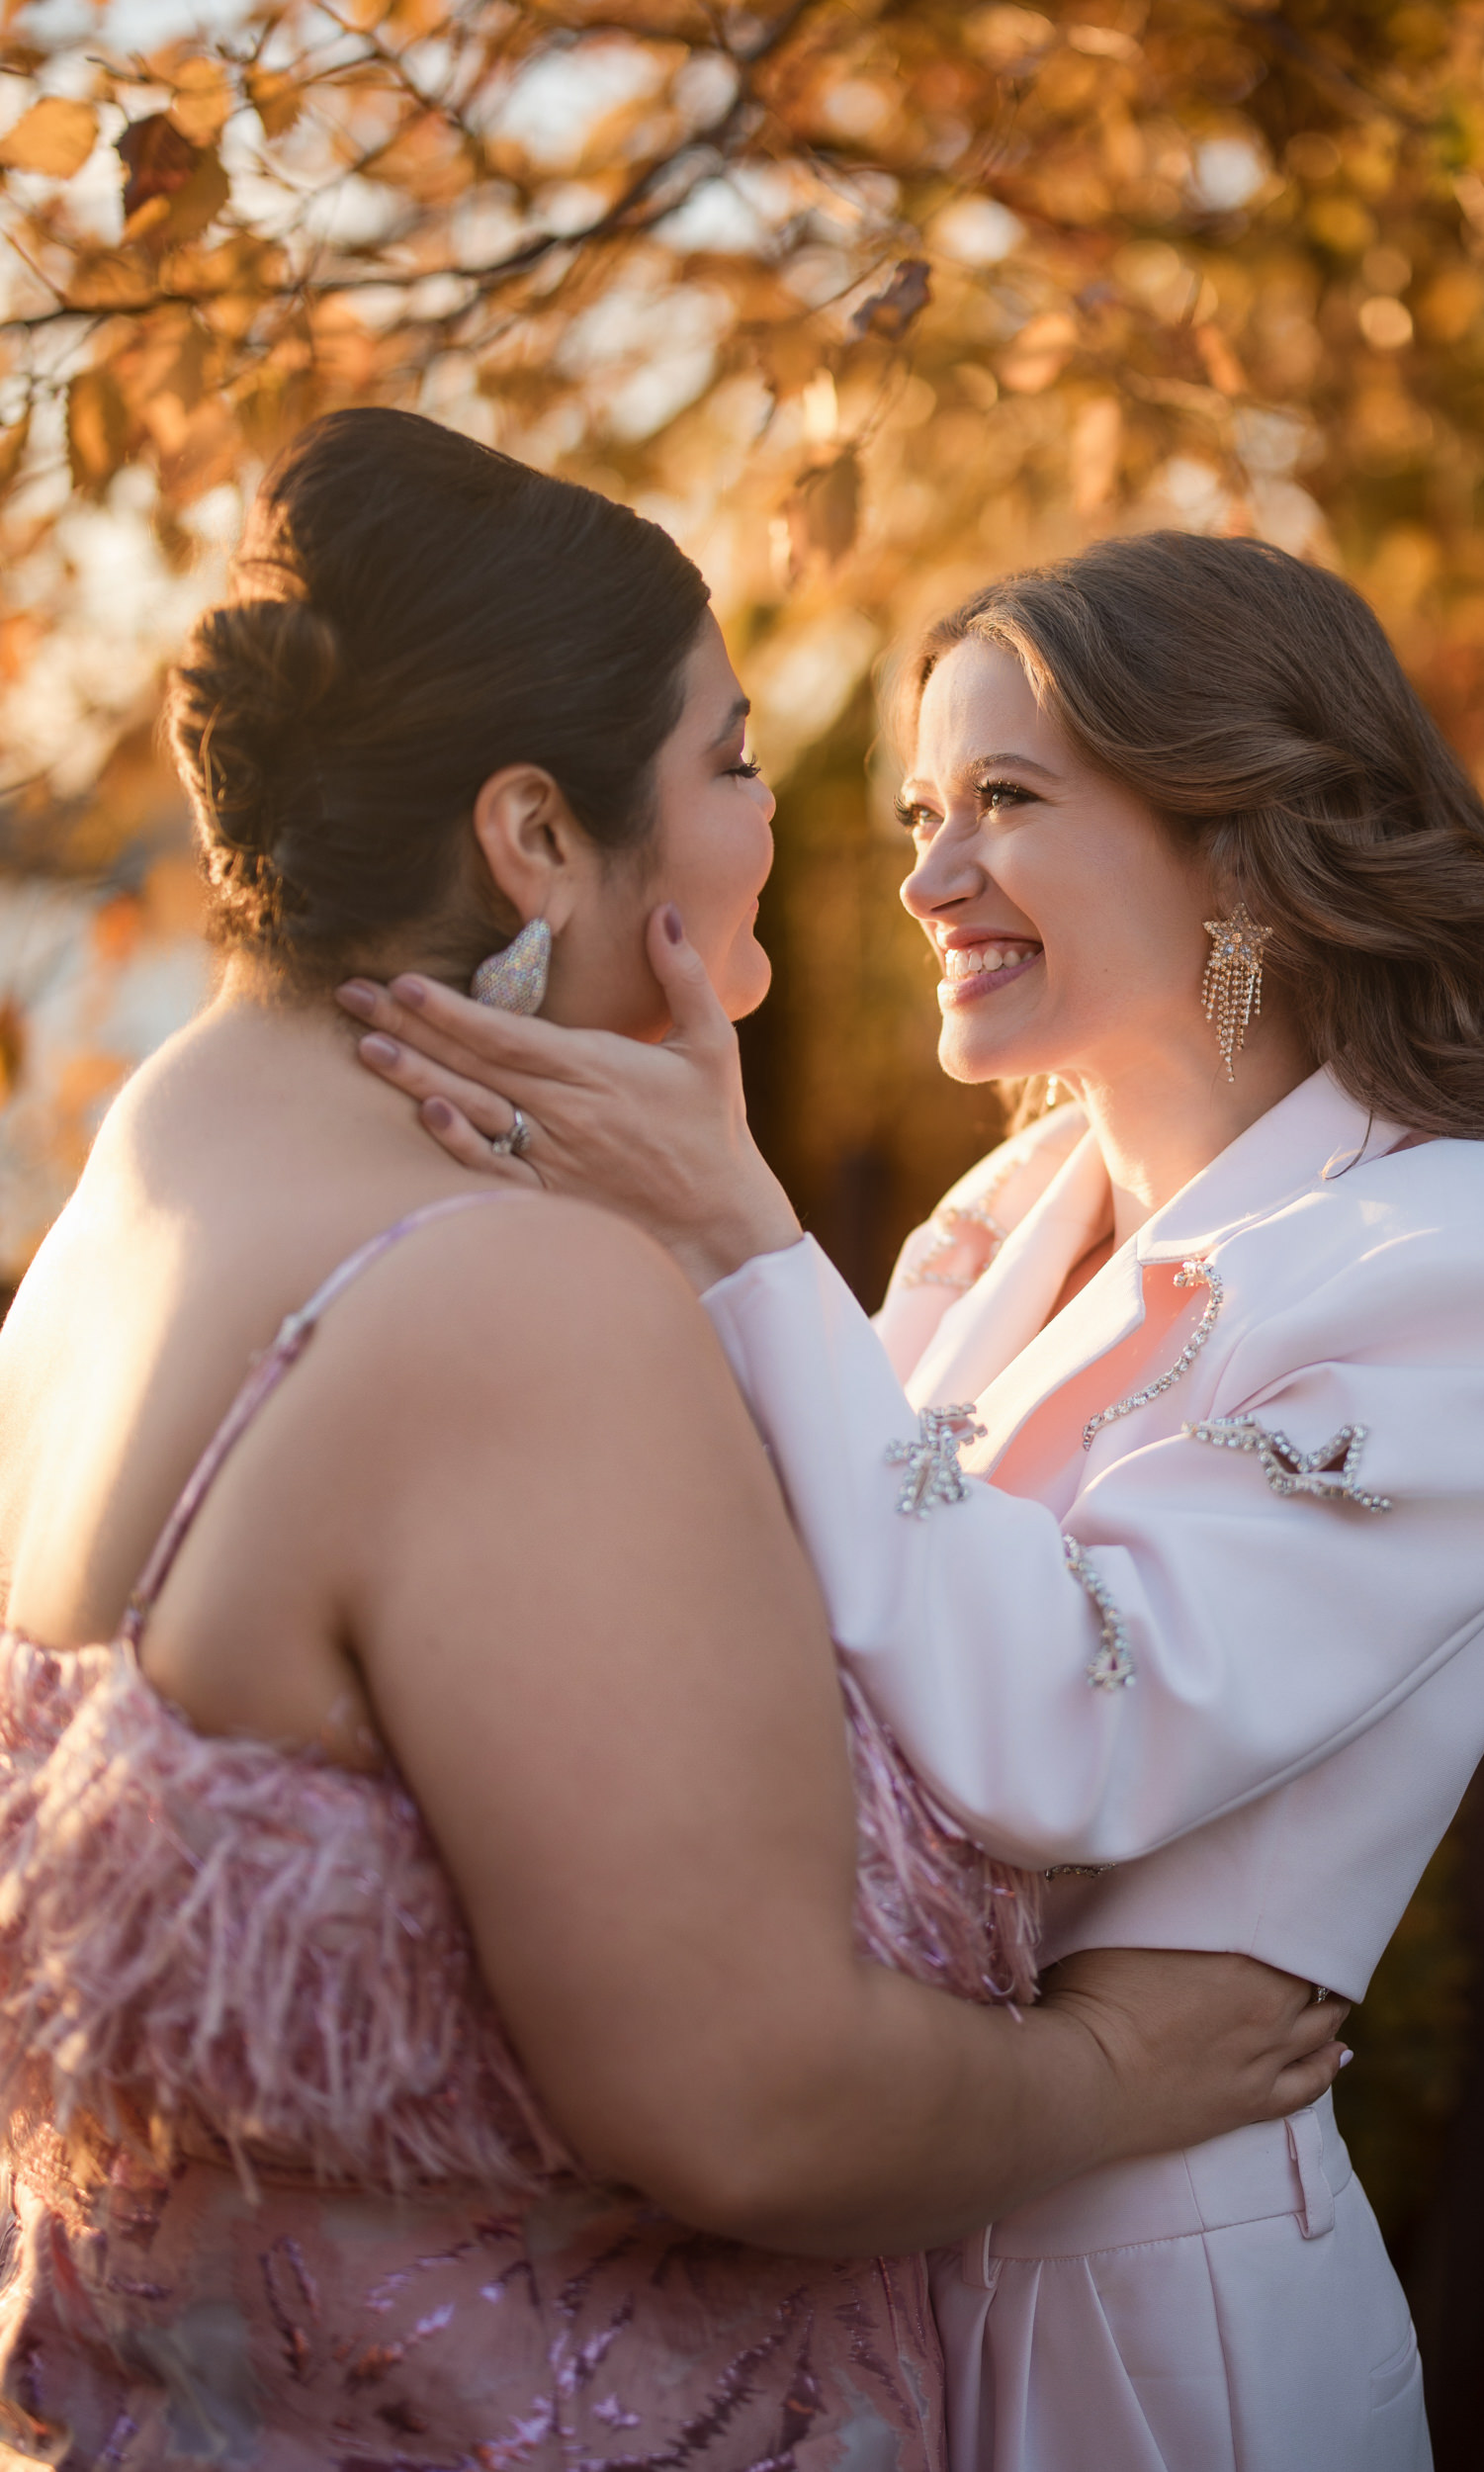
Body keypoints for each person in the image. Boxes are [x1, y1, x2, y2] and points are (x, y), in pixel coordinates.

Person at [0, 422, 1355, 2472]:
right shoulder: (512, 1299)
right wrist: (1118, 2075)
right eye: (729, 758)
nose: (783, 827)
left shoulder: (147, 1179)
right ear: (536, 838)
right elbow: (749, 2096)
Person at [344, 530, 1484, 2472]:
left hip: (1139, 2322)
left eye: (1006, 803)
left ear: (1233, 841)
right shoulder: (995, 1227)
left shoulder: (1471, 1244)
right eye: (914, 809)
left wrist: (745, 1234)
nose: (925, 873)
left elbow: (1070, 1719)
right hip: (835, 2258)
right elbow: (801, 1641)